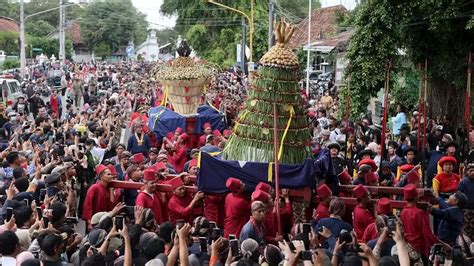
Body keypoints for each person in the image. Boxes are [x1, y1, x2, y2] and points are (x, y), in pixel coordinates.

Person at [400, 184, 439, 260]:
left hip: (407, 247)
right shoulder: (419, 213)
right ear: (416, 197)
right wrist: (438, 244)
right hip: (420, 249)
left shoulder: (403, 212)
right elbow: (427, 234)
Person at [82, 164, 119, 230]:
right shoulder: (94, 188)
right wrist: (89, 222)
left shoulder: (109, 189)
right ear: (101, 176)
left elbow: (112, 206)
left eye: (111, 174)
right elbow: (87, 206)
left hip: (106, 220)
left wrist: (112, 192)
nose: (111, 176)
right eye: (108, 174)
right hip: (95, 221)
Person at [458, 163, 474, 240]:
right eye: (471, 170)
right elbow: (459, 195)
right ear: (467, 172)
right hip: (466, 211)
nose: (473, 172)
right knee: (466, 232)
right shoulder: (463, 182)